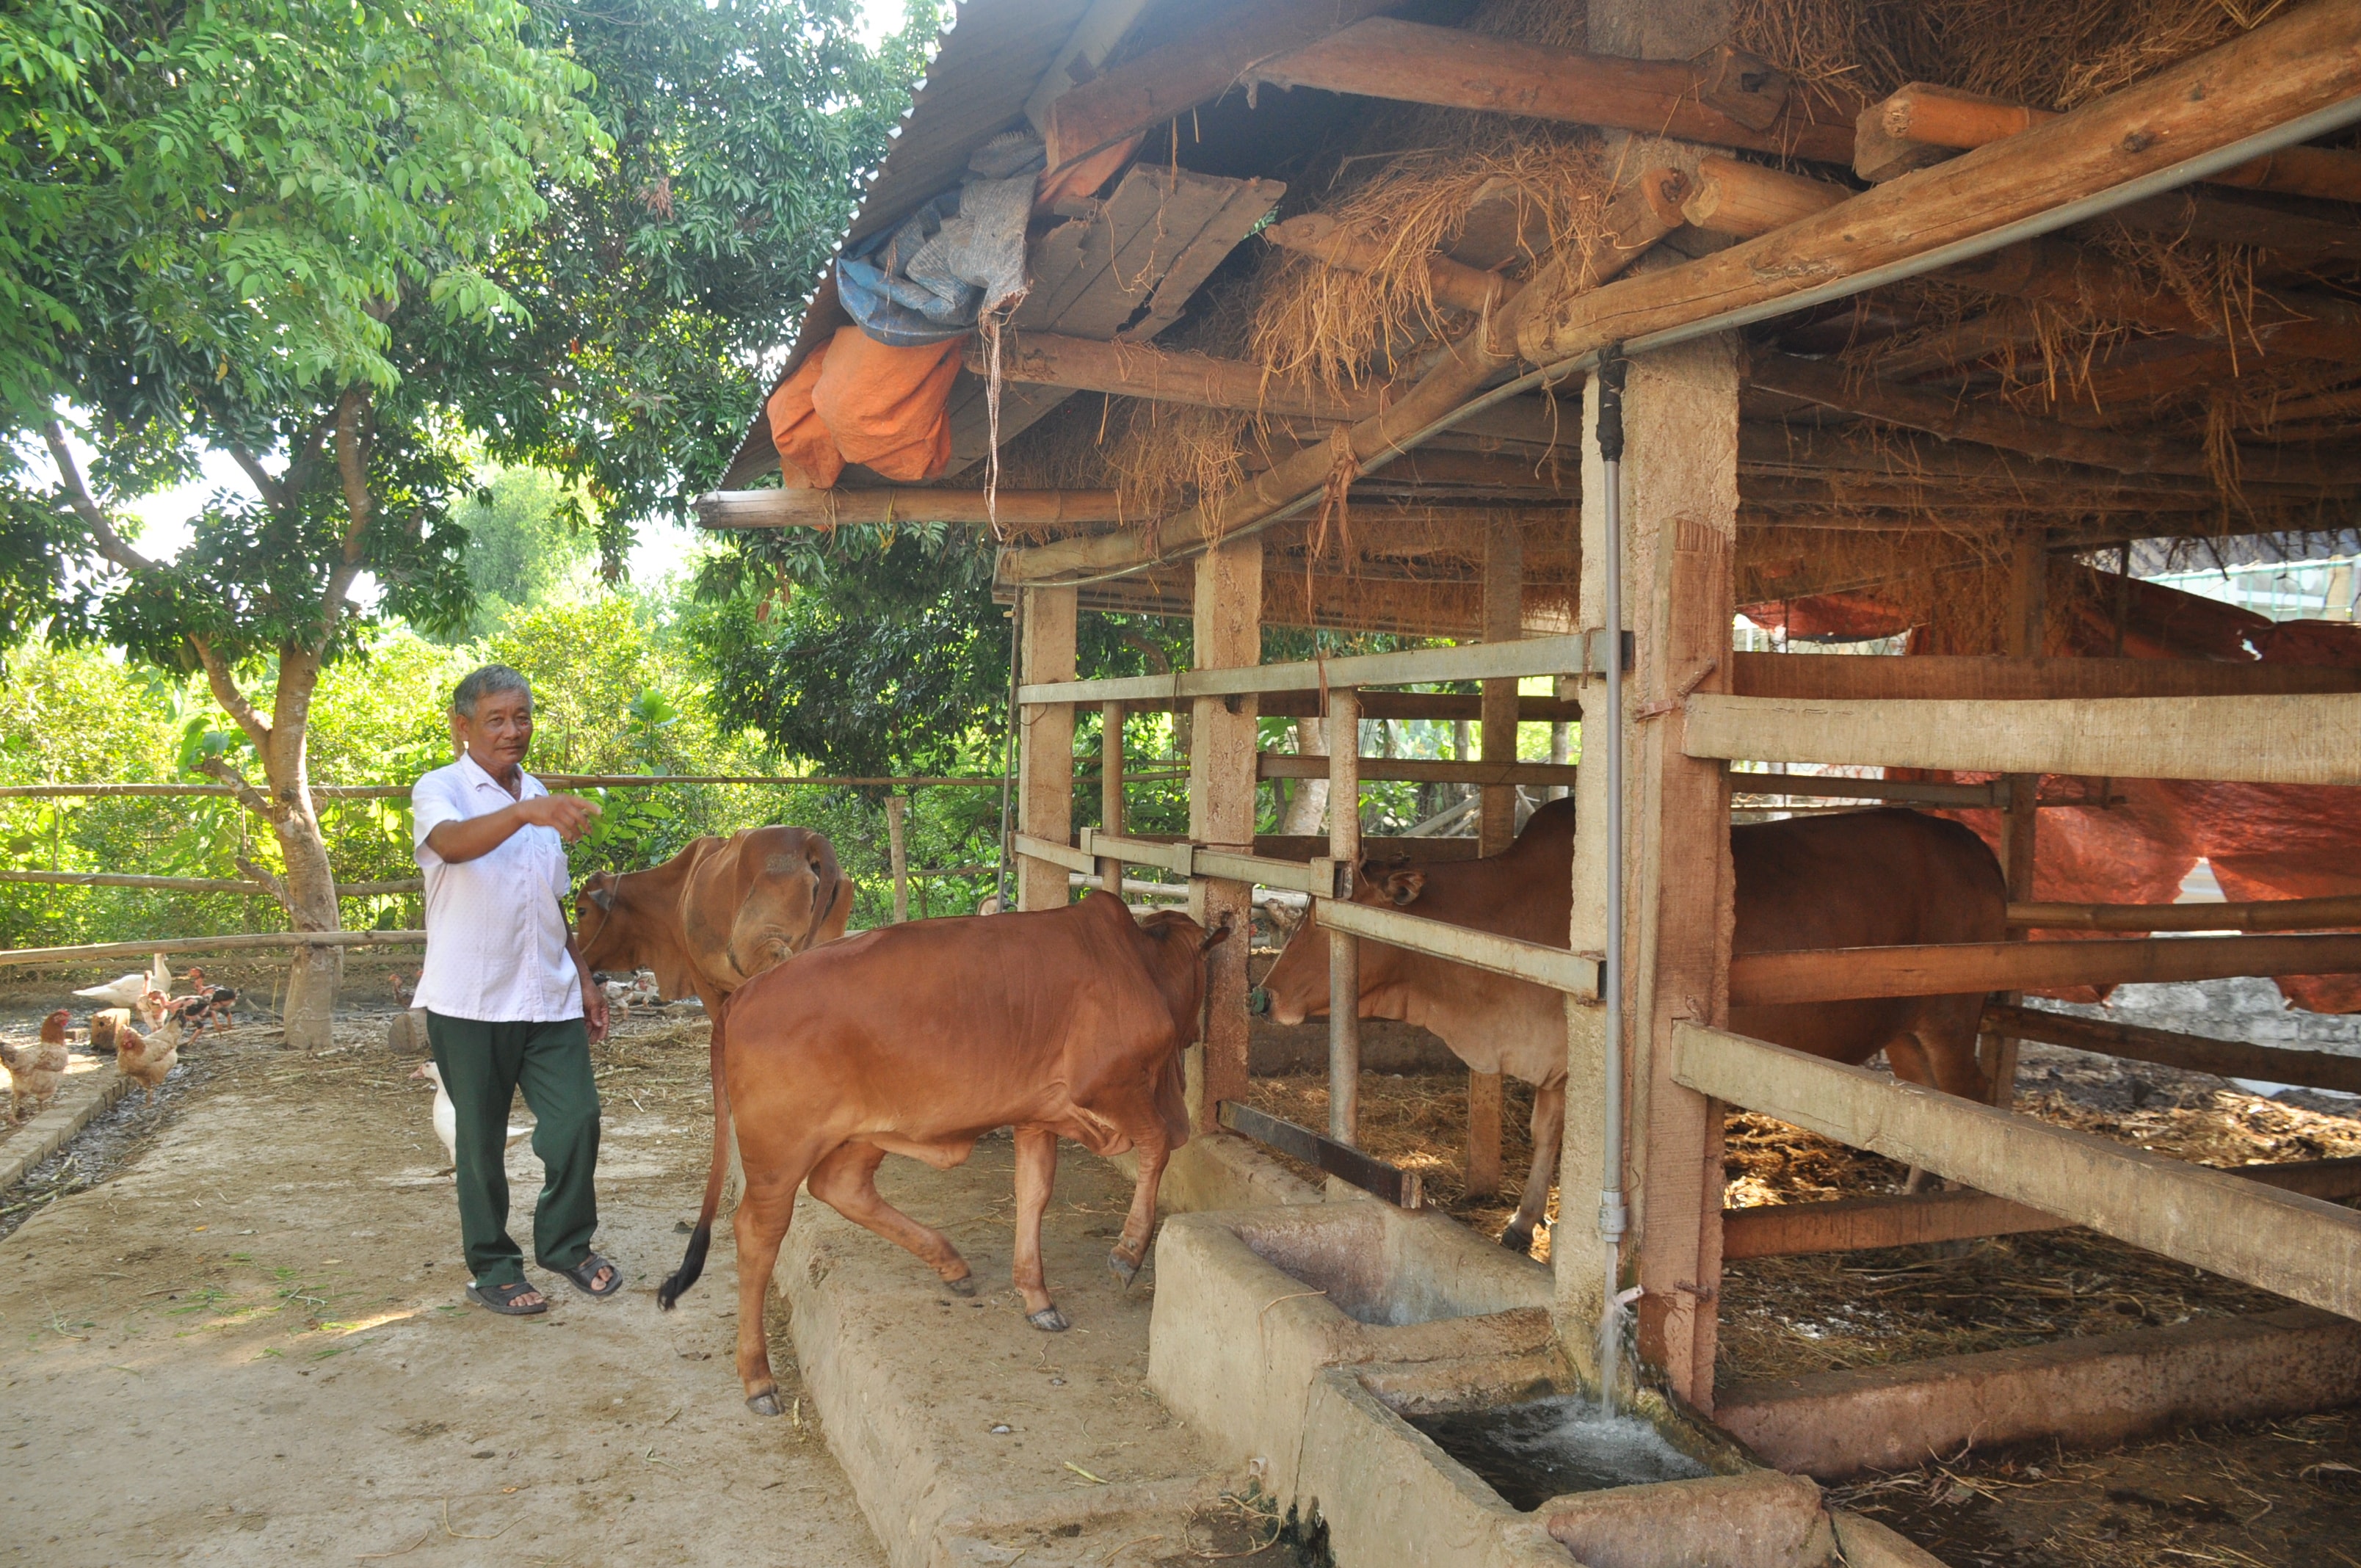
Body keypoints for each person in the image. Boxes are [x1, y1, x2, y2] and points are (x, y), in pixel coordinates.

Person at [411, 664, 617, 1315]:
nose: (513, 731)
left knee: (577, 1119)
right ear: (462, 726)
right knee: (479, 1141)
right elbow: (449, 845)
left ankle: (565, 1244)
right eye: (496, 719)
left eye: (522, 716)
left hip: (547, 995)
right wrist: (526, 812)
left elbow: (549, 901)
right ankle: (494, 1267)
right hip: (471, 1000)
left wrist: (584, 981)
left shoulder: (539, 793)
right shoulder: (440, 789)